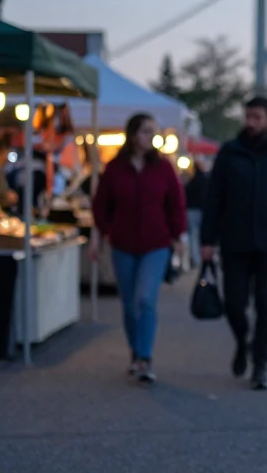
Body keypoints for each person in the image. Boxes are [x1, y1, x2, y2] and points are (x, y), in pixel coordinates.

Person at [200, 96, 267, 391]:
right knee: (234, 303)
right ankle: (242, 341)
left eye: (257, 117)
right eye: (248, 117)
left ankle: (261, 366)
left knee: (266, 305)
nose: (251, 122)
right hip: (234, 241)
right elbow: (214, 200)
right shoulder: (230, 153)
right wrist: (206, 239)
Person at [90, 113, 187, 384]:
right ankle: (135, 350)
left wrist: (178, 236)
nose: (150, 137)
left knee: (145, 299)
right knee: (130, 304)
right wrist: (100, 235)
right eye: (146, 131)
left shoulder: (163, 168)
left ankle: (145, 356)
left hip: (156, 243)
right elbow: (101, 205)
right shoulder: (115, 169)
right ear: (133, 135)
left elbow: (175, 203)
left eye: (153, 132)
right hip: (123, 244)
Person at [183, 158, 209, 271]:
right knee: (198, 235)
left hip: (193, 210)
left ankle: (196, 257)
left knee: (193, 235)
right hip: (201, 210)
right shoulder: (205, 180)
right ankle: (198, 257)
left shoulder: (193, 181)